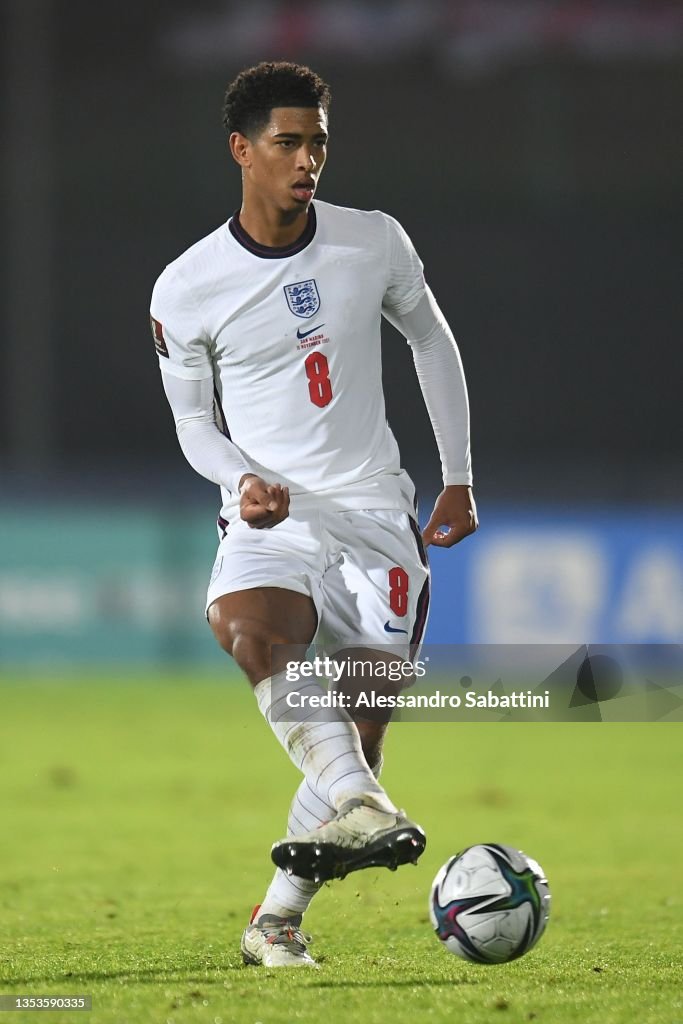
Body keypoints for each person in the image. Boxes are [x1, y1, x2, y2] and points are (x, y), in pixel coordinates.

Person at [150, 61, 478, 968]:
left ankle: (276, 922)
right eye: (288, 143)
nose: (307, 161)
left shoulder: (372, 240)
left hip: (376, 511)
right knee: (249, 628)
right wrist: (242, 476)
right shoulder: (187, 286)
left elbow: (430, 338)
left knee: (357, 728)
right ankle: (363, 808)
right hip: (272, 512)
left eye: (318, 142)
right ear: (241, 150)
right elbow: (191, 423)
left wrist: (457, 474)